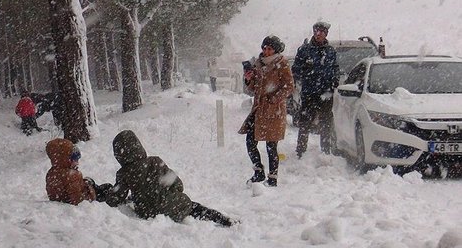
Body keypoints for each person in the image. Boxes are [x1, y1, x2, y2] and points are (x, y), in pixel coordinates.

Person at [108, 130, 234, 226]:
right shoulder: (155, 162)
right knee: (193, 207)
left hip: (146, 212)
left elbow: (116, 197)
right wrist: (168, 195)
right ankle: (222, 219)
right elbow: (178, 184)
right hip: (171, 204)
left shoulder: (123, 173)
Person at [238, 36, 294, 186]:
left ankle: (272, 178)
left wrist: (274, 99)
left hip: (273, 111)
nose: (266, 51)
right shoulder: (258, 63)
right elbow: (254, 87)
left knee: (271, 146)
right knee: (250, 141)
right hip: (258, 109)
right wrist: (249, 79)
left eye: (269, 49)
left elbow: (289, 86)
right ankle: (258, 171)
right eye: (264, 48)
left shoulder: (281, 64)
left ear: (275, 50)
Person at [292, 21, 340, 157]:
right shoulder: (304, 50)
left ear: (326, 34)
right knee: (305, 121)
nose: (318, 34)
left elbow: (335, 68)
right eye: (316, 31)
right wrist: (305, 72)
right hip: (309, 92)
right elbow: (295, 69)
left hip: (326, 93)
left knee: (326, 122)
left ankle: (325, 150)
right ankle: (301, 151)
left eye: (321, 32)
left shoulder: (330, 51)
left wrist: (334, 81)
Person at [45, 138, 111, 205]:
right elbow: (79, 201)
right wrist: (90, 191)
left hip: (65, 200)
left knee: (90, 181)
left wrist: (85, 183)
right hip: (86, 202)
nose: (77, 163)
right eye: (75, 159)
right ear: (66, 159)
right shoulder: (71, 175)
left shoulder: (51, 173)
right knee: (108, 188)